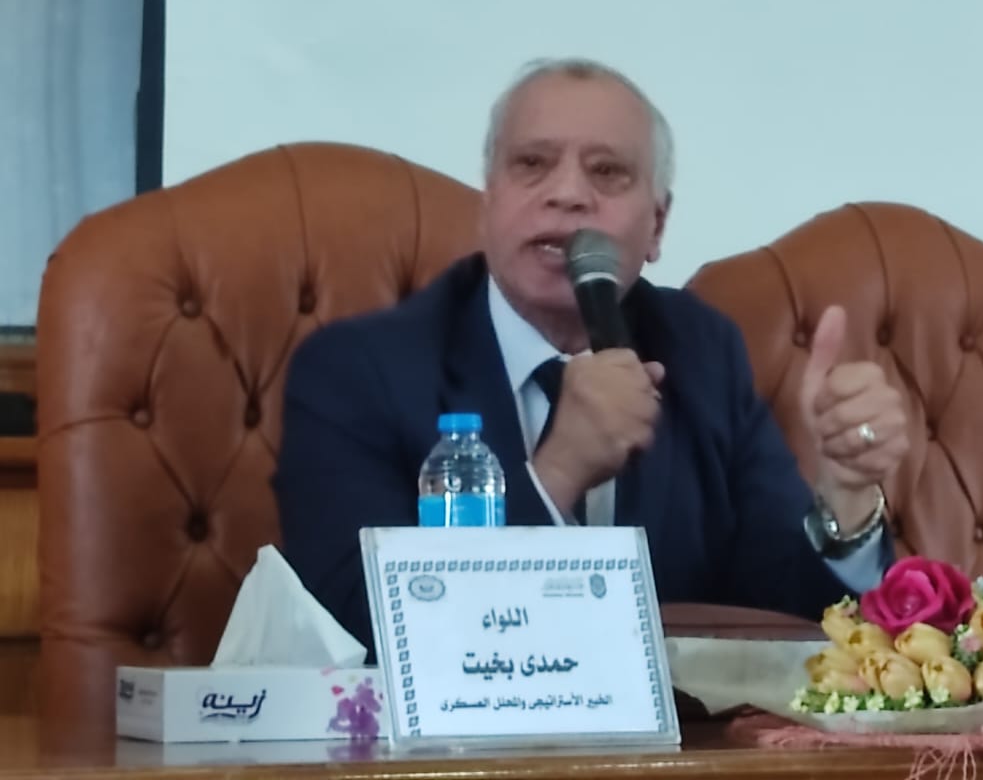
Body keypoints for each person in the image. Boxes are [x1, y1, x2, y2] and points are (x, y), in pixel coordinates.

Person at [274, 58, 909, 654]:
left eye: (607, 172)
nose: (568, 194)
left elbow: (785, 609)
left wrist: (845, 499)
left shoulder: (700, 349)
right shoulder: (356, 371)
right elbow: (352, 622)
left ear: (656, 225)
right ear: (488, 206)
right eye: (532, 163)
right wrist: (558, 473)